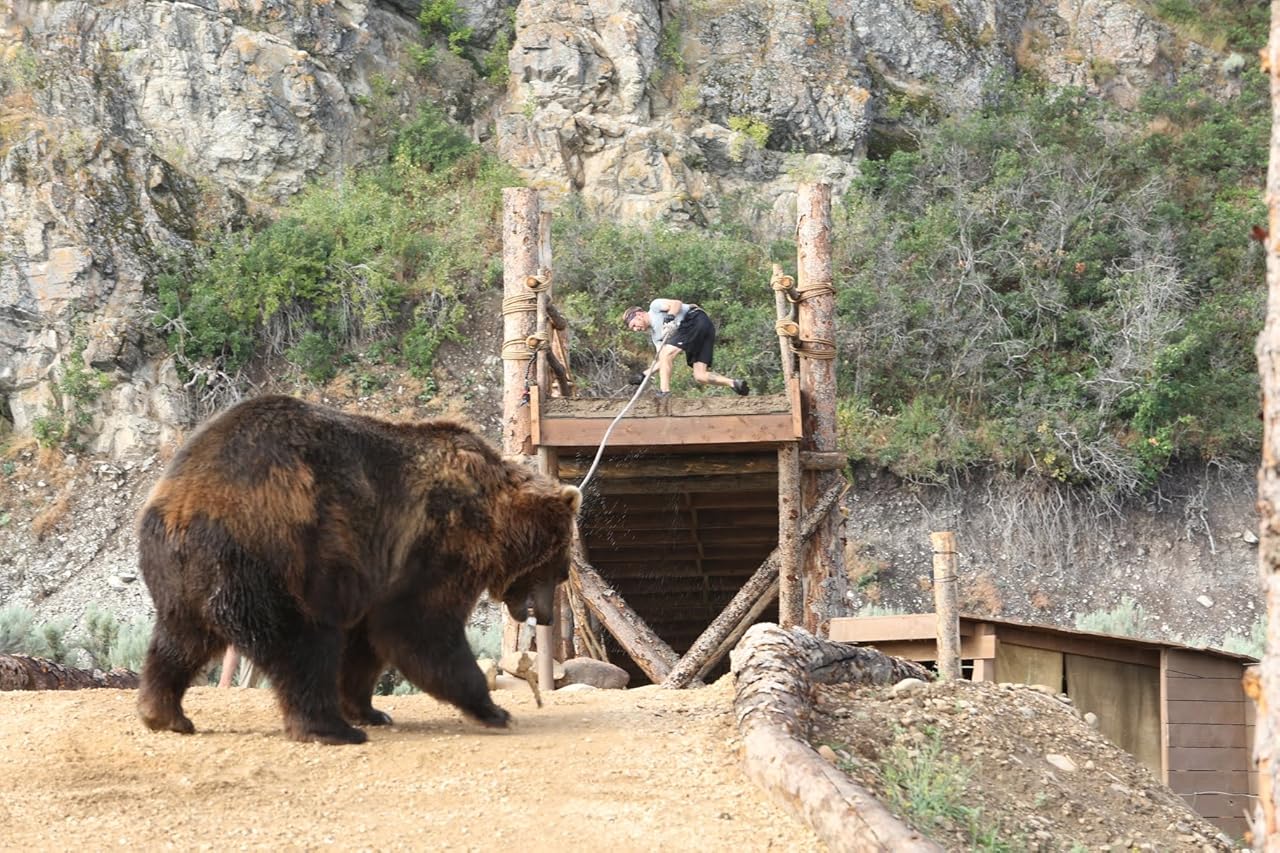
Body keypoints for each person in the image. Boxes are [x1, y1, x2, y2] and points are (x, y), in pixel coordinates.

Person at [622, 299, 749, 398]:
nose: (636, 329)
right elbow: (663, 361)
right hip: (703, 330)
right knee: (700, 375)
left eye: (634, 325)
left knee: (666, 353)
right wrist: (644, 374)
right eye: (633, 329)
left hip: (694, 319)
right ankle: (734, 383)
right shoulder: (656, 337)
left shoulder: (654, 307)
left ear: (639, 315)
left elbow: (676, 303)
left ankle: (664, 392)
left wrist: (670, 317)